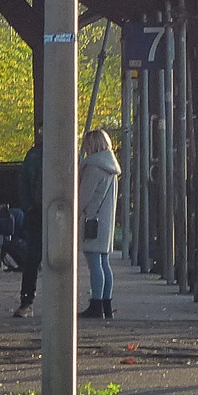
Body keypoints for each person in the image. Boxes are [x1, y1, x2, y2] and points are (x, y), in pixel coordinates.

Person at [77, 128, 121, 319]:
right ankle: (106, 304)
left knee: (94, 261)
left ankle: (96, 304)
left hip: (91, 220)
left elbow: (84, 196)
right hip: (105, 220)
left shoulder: (93, 167)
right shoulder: (111, 167)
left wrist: (76, 212)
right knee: (103, 262)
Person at [10, 130, 43, 317]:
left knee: (33, 258)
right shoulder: (68, 152)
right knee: (35, 257)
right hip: (49, 211)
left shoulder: (33, 155)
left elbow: (22, 181)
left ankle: (27, 301)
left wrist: (28, 207)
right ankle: (28, 300)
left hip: (36, 210)